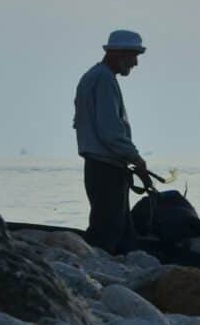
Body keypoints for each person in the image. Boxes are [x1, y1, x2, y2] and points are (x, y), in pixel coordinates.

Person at [73, 29, 151, 254]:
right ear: (118, 54)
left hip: (103, 166)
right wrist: (136, 158)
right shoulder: (103, 80)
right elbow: (110, 131)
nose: (135, 63)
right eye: (133, 55)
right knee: (108, 229)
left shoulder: (96, 77)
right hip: (106, 168)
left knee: (122, 229)